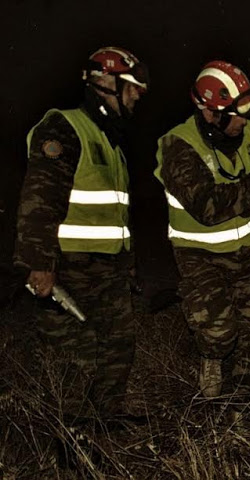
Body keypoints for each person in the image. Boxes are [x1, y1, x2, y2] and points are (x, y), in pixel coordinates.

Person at [14, 46, 149, 416]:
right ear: (107, 82)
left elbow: (116, 214)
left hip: (109, 271)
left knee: (118, 349)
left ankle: (104, 424)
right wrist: (40, 264)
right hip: (70, 269)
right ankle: (68, 444)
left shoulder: (110, 140)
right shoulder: (63, 127)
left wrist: (130, 263)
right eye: (134, 86)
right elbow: (39, 202)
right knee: (76, 361)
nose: (139, 95)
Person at [154, 61, 250, 398]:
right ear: (210, 112)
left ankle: (239, 409)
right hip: (200, 258)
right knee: (220, 334)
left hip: (248, 255)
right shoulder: (178, 146)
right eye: (236, 113)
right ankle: (209, 357)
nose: (245, 121)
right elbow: (209, 208)